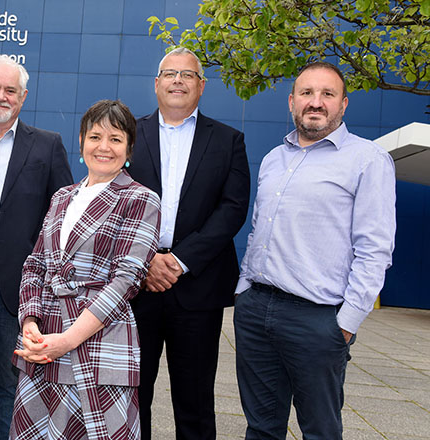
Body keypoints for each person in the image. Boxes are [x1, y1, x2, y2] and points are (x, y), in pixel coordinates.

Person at [234, 61, 396, 439]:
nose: (316, 102)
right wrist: (244, 292)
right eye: (307, 93)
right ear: (292, 101)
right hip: (257, 311)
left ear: (343, 104)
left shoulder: (368, 159)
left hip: (318, 321)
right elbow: (260, 230)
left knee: (320, 430)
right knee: (260, 428)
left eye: (327, 94)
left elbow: (374, 249)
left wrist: (346, 323)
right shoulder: (275, 159)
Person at [10, 100, 161, 440]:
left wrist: (66, 341)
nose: (104, 147)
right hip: (43, 341)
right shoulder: (62, 197)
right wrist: (31, 324)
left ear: (129, 148)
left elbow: (127, 280)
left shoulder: (141, 199)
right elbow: (35, 265)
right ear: (81, 141)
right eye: (95, 137)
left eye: (116, 139)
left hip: (98, 341)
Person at [126, 47, 251, 440]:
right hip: (134, 288)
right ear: (157, 83)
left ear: (201, 86)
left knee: (195, 401)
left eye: (187, 74)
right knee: (131, 396)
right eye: (169, 73)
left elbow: (232, 210)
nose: (178, 80)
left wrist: (178, 260)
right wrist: (146, 261)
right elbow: (113, 201)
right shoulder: (129, 134)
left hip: (197, 289)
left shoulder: (228, 140)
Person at [0, 54, 73, 440]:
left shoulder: (48, 146)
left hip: (17, 291)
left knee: (15, 389)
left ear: (23, 97)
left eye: (10, 90)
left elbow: (61, 220)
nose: (1, 96)